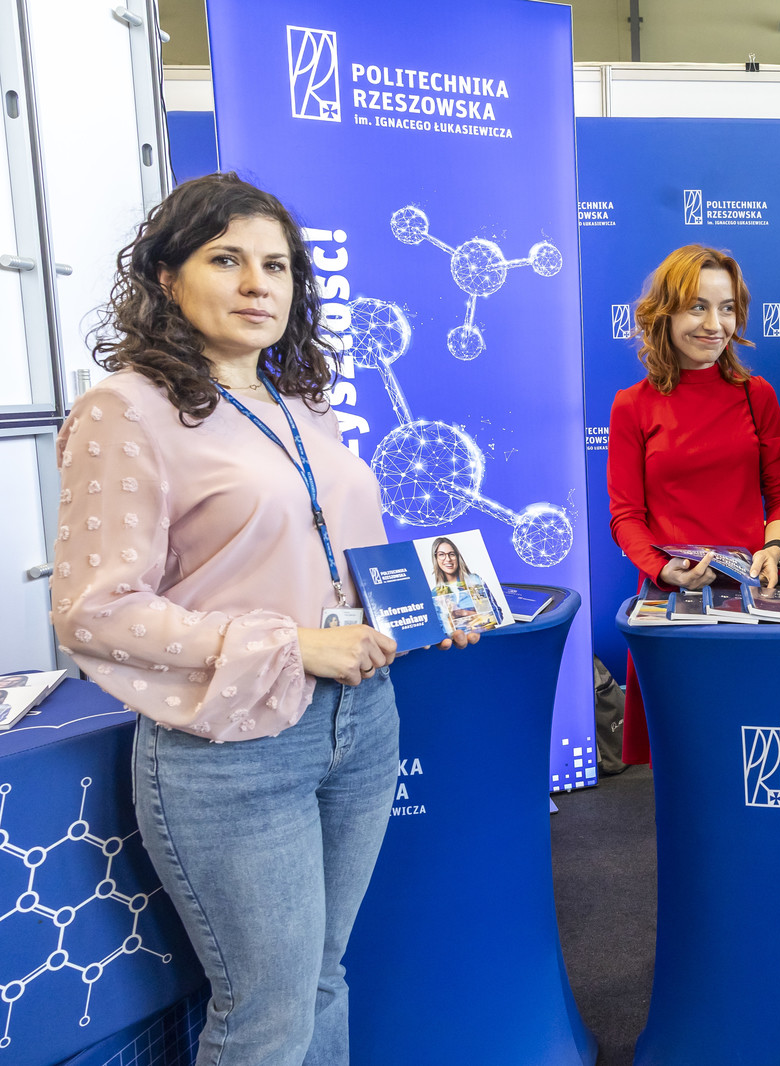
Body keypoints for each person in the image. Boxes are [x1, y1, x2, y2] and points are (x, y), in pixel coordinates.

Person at [50, 172, 476, 1066]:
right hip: (232, 748)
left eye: (276, 266)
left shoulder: (302, 403)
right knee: (266, 1015)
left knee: (322, 980)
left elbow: (332, 558)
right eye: (226, 260)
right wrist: (292, 645)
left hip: (362, 724)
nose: (257, 285)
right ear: (166, 277)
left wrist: (420, 612)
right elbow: (94, 614)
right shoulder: (124, 408)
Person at [607, 244, 780, 764]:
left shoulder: (757, 395)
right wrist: (662, 569)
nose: (715, 325)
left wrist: (774, 551)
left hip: (750, 598)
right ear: (665, 313)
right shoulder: (632, 406)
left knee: (756, 750)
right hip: (672, 600)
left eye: (727, 308)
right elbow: (626, 517)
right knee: (686, 757)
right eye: (698, 307)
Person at [429, 535, 503, 633]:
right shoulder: (436, 593)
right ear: (435, 558)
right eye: (441, 554)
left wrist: (462, 612)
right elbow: (444, 630)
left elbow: (497, 616)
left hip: (486, 636)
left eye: (451, 554)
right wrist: (473, 615)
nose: (448, 559)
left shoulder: (473, 581)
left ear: (457, 556)